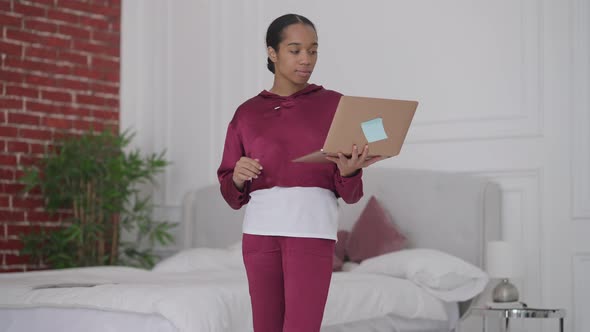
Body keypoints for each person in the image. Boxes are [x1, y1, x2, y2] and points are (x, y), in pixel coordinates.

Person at [217, 13, 383, 332]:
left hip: (312, 230)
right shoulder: (247, 113)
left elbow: (350, 194)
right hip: (260, 234)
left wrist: (348, 173)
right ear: (272, 52)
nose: (306, 59)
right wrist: (237, 176)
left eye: (313, 50)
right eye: (295, 50)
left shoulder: (337, 106)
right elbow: (230, 190)